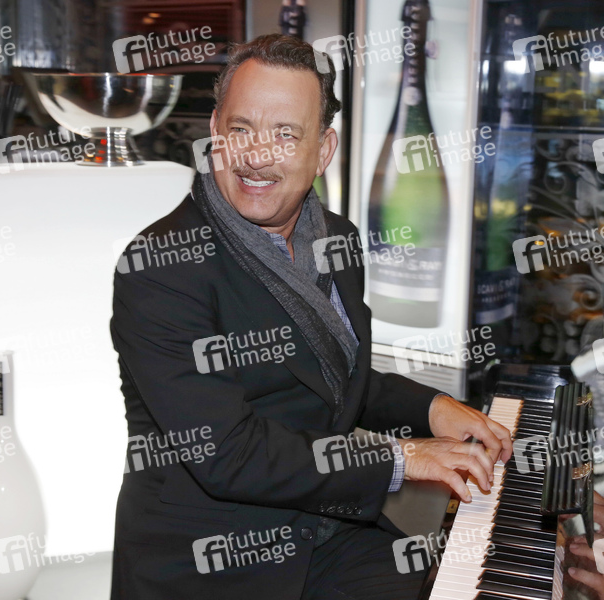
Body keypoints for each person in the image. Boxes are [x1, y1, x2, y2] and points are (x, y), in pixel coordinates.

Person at [109, 33, 512, 600]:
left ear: (323, 150)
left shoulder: (336, 238)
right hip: (216, 558)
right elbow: (228, 454)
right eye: (241, 129)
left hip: (327, 525)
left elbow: (336, 377)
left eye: (285, 134)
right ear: (214, 132)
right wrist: (403, 456)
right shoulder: (160, 267)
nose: (256, 156)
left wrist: (432, 408)